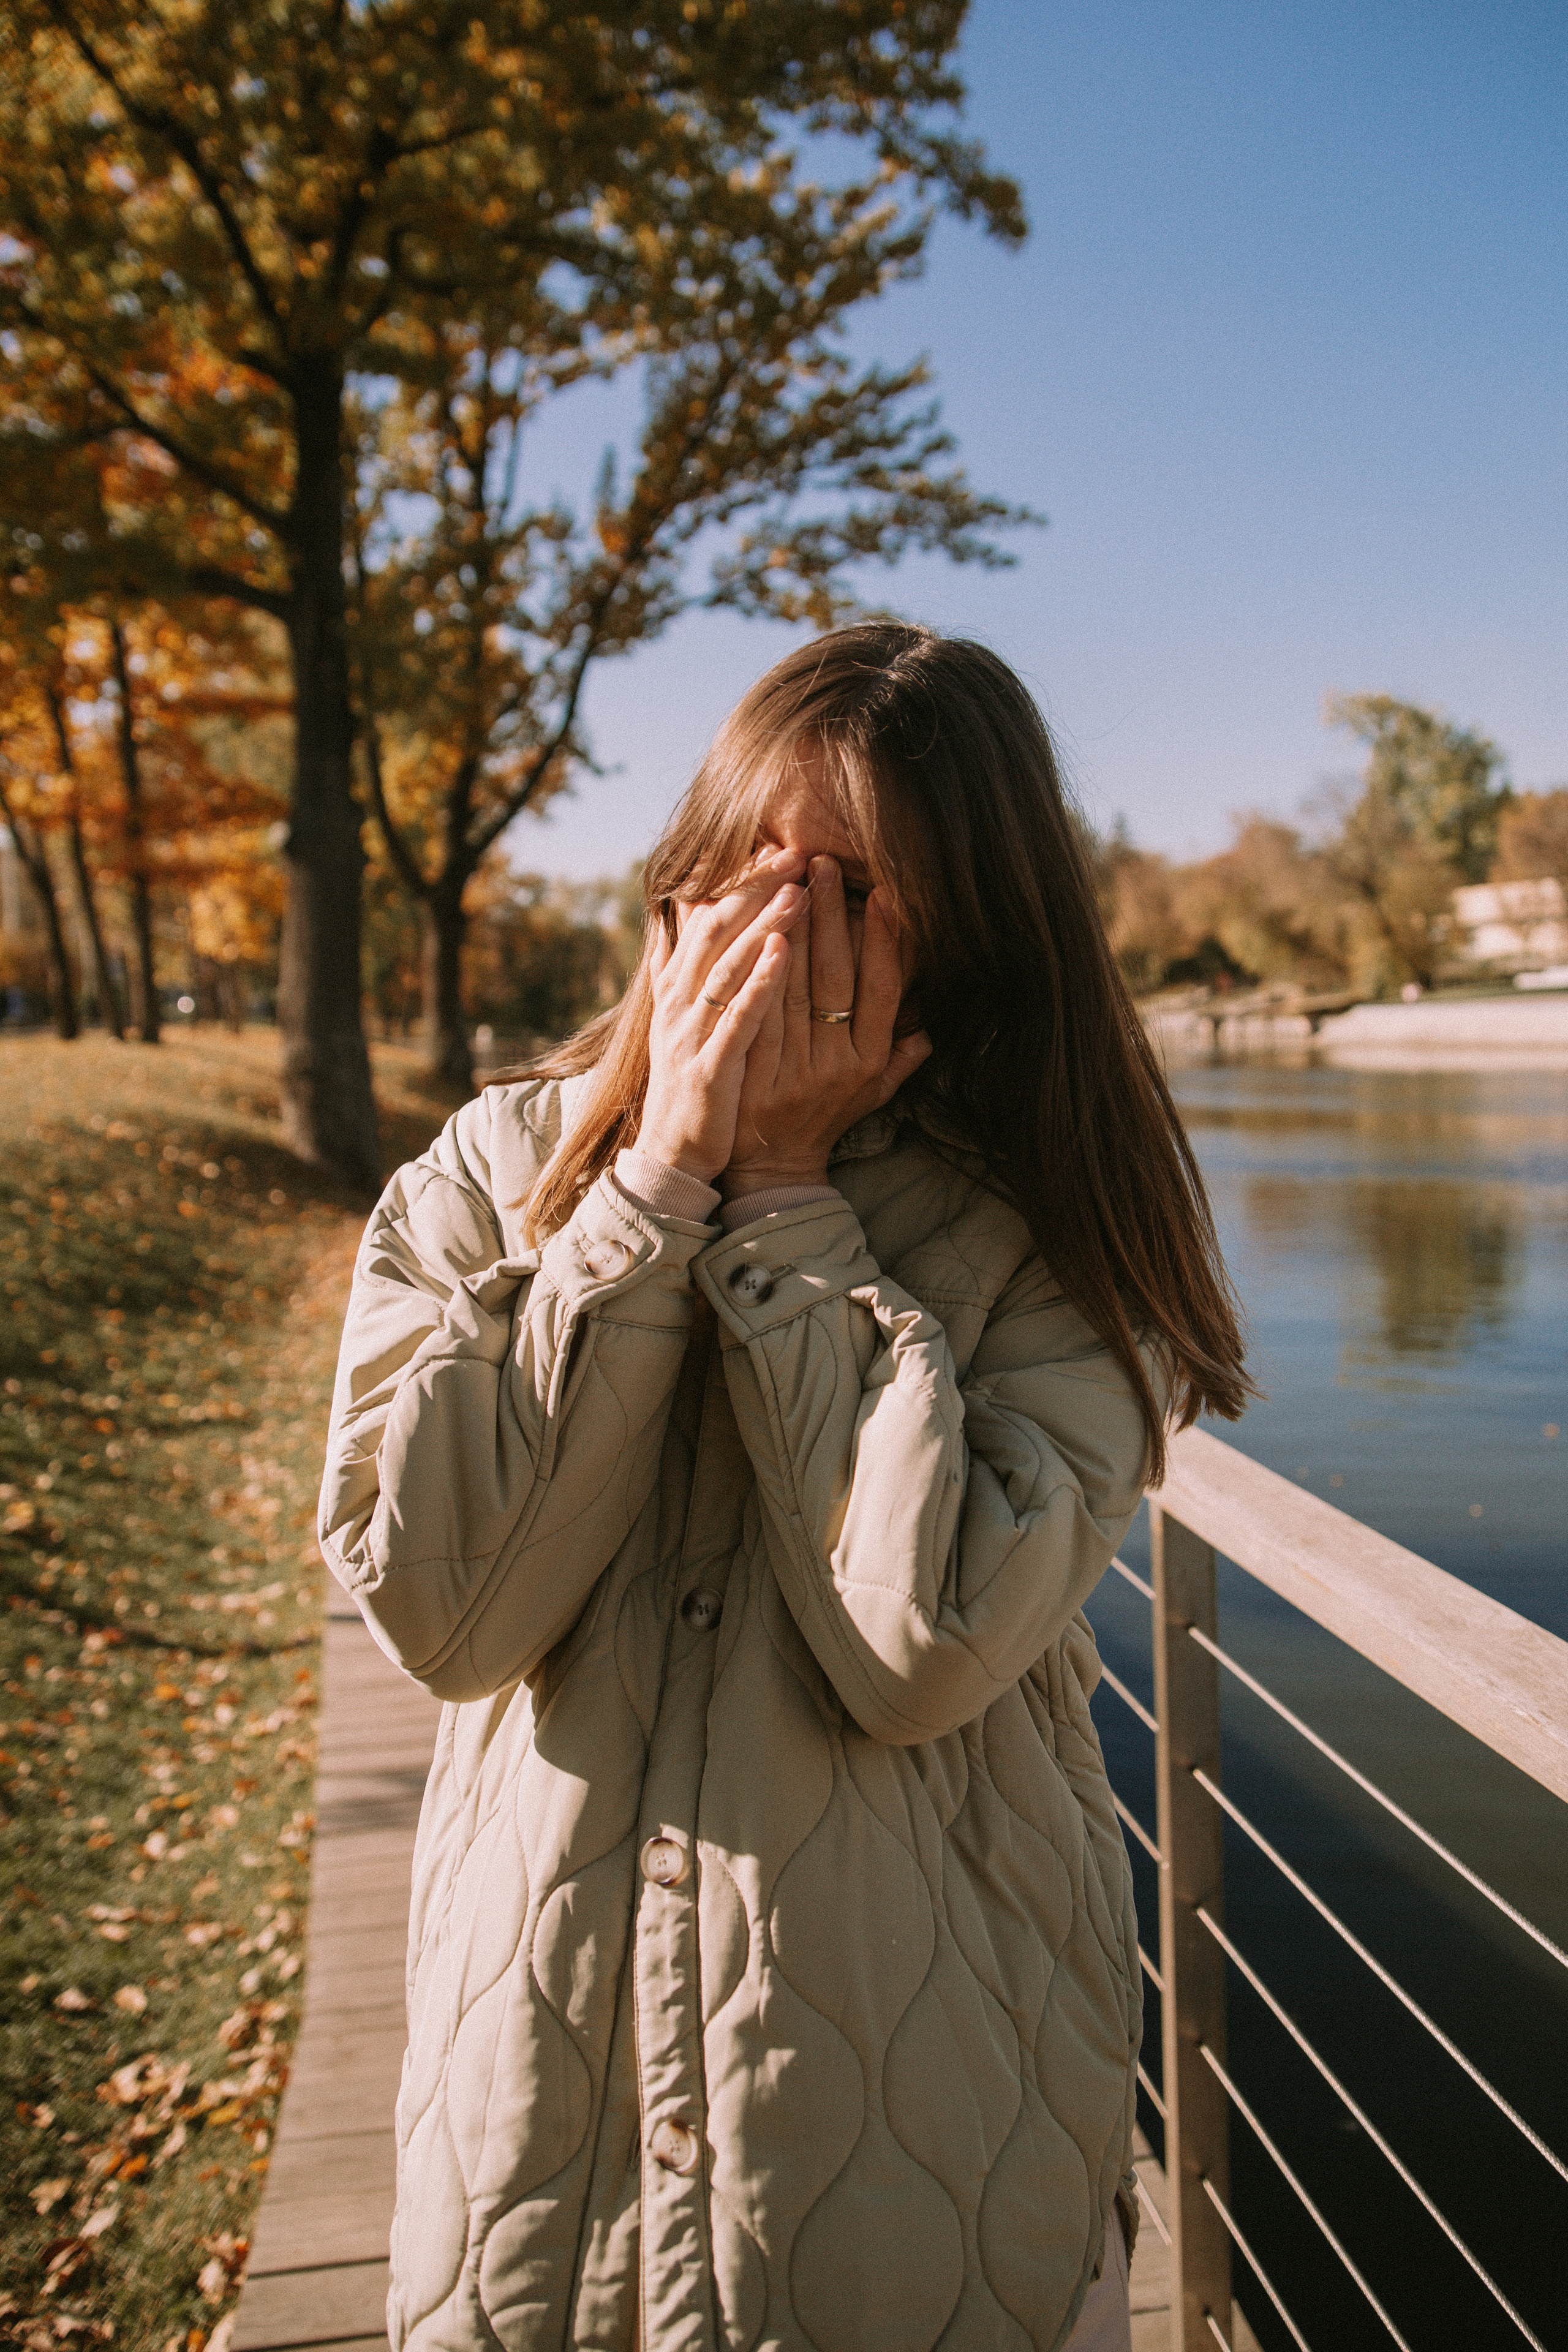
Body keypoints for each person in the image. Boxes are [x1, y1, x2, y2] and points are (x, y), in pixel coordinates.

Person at [319, 624, 1250, 2352]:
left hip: (931, 2162)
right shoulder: (489, 1177)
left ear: (968, 935)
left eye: (852, 899)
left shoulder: (1052, 1227)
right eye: (760, 873)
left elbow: (921, 1647)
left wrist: (795, 1210)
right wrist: (657, 1184)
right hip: (546, 2139)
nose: (782, 939)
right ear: (680, 882)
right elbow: (442, 1612)